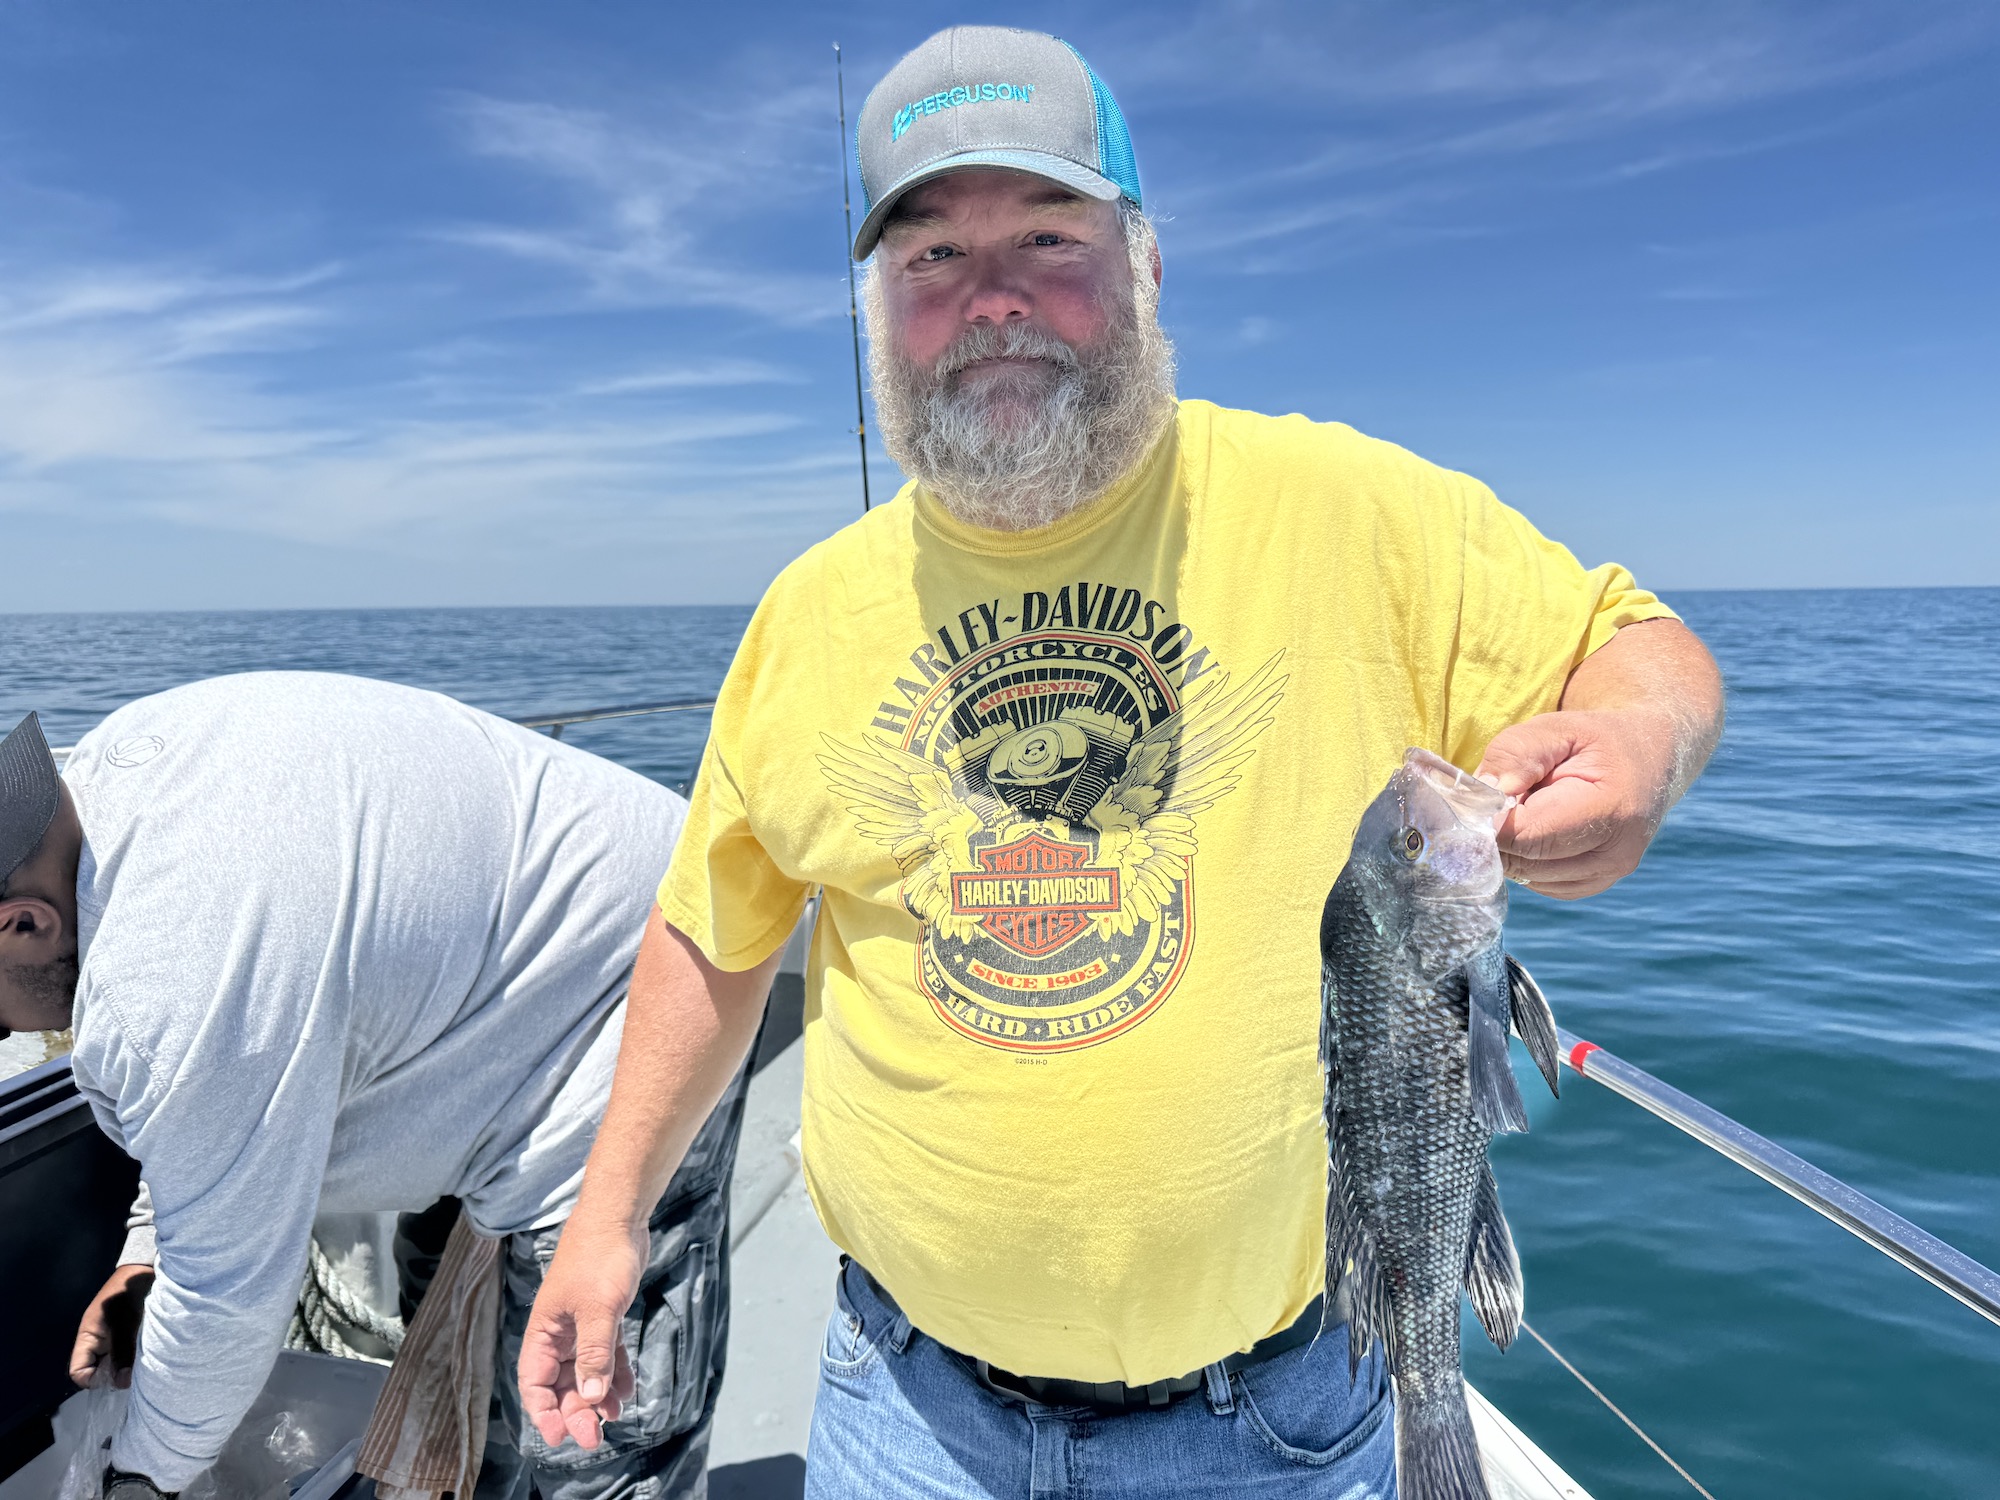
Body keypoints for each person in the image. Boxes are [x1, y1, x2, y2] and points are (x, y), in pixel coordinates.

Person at [520, 25, 1726, 1500]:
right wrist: (605, 1219)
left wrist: (1639, 743)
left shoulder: (1346, 509)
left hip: (1278, 1417)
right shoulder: (807, 615)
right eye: (931, 256)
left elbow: (1631, 641)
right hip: (904, 1407)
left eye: (1047, 235)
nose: (992, 297)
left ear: (1147, 265)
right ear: (877, 310)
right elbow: (715, 931)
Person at [0, 672, 752, 1500]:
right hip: (479, 1002)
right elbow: (204, 1088)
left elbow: (225, 1299)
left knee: (589, 1444)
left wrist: (139, 1480)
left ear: (23, 921)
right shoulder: (98, 784)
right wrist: (147, 1252)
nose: (11, 1033)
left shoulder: (172, 957)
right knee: (454, 1384)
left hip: (647, 990)